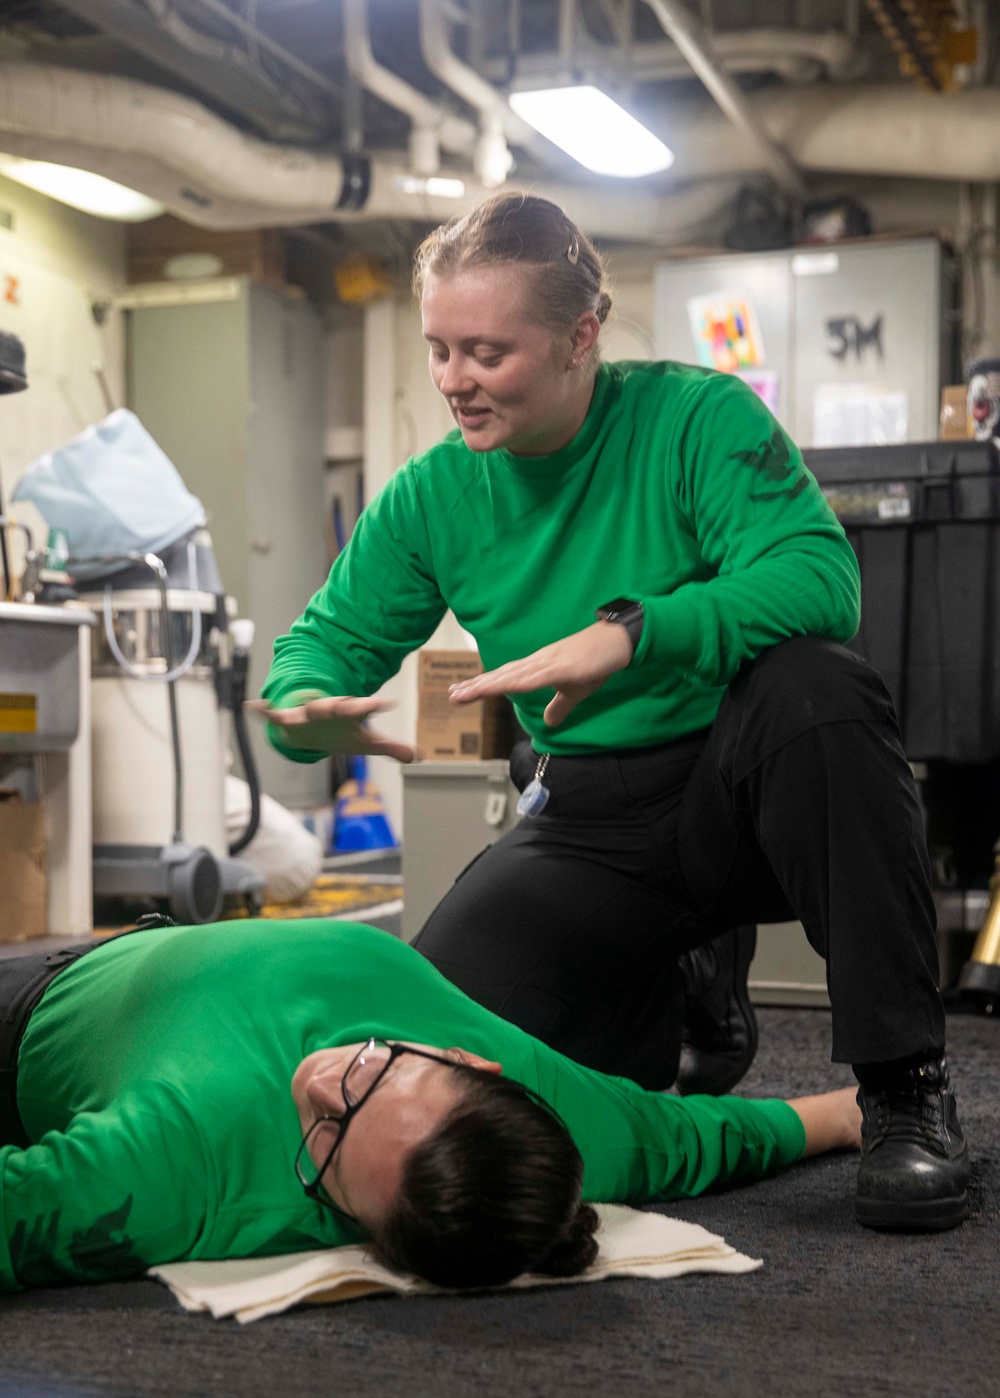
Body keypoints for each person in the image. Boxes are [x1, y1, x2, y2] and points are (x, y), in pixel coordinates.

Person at [257, 192, 969, 1233]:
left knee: (819, 690)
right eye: (439, 349)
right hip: (588, 816)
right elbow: (315, 649)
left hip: (744, 792)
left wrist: (635, 631)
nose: (455, 381)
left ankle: (904, 1090)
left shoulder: (694, 418)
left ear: (580, 338)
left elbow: (822, 580)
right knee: (439, 1057)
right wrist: (301, 709)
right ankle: (678, 984)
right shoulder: (430, 496)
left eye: (487, 352)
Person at [0, 920, 859, 1292]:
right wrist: (850, 1114)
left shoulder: (179, 1171)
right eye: (375, 1071)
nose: (321, 1087)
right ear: (466, 1060)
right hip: (152, 940)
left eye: (329, 1147)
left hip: (28, 1004)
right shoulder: (554, 1117)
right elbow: (698, 1139)